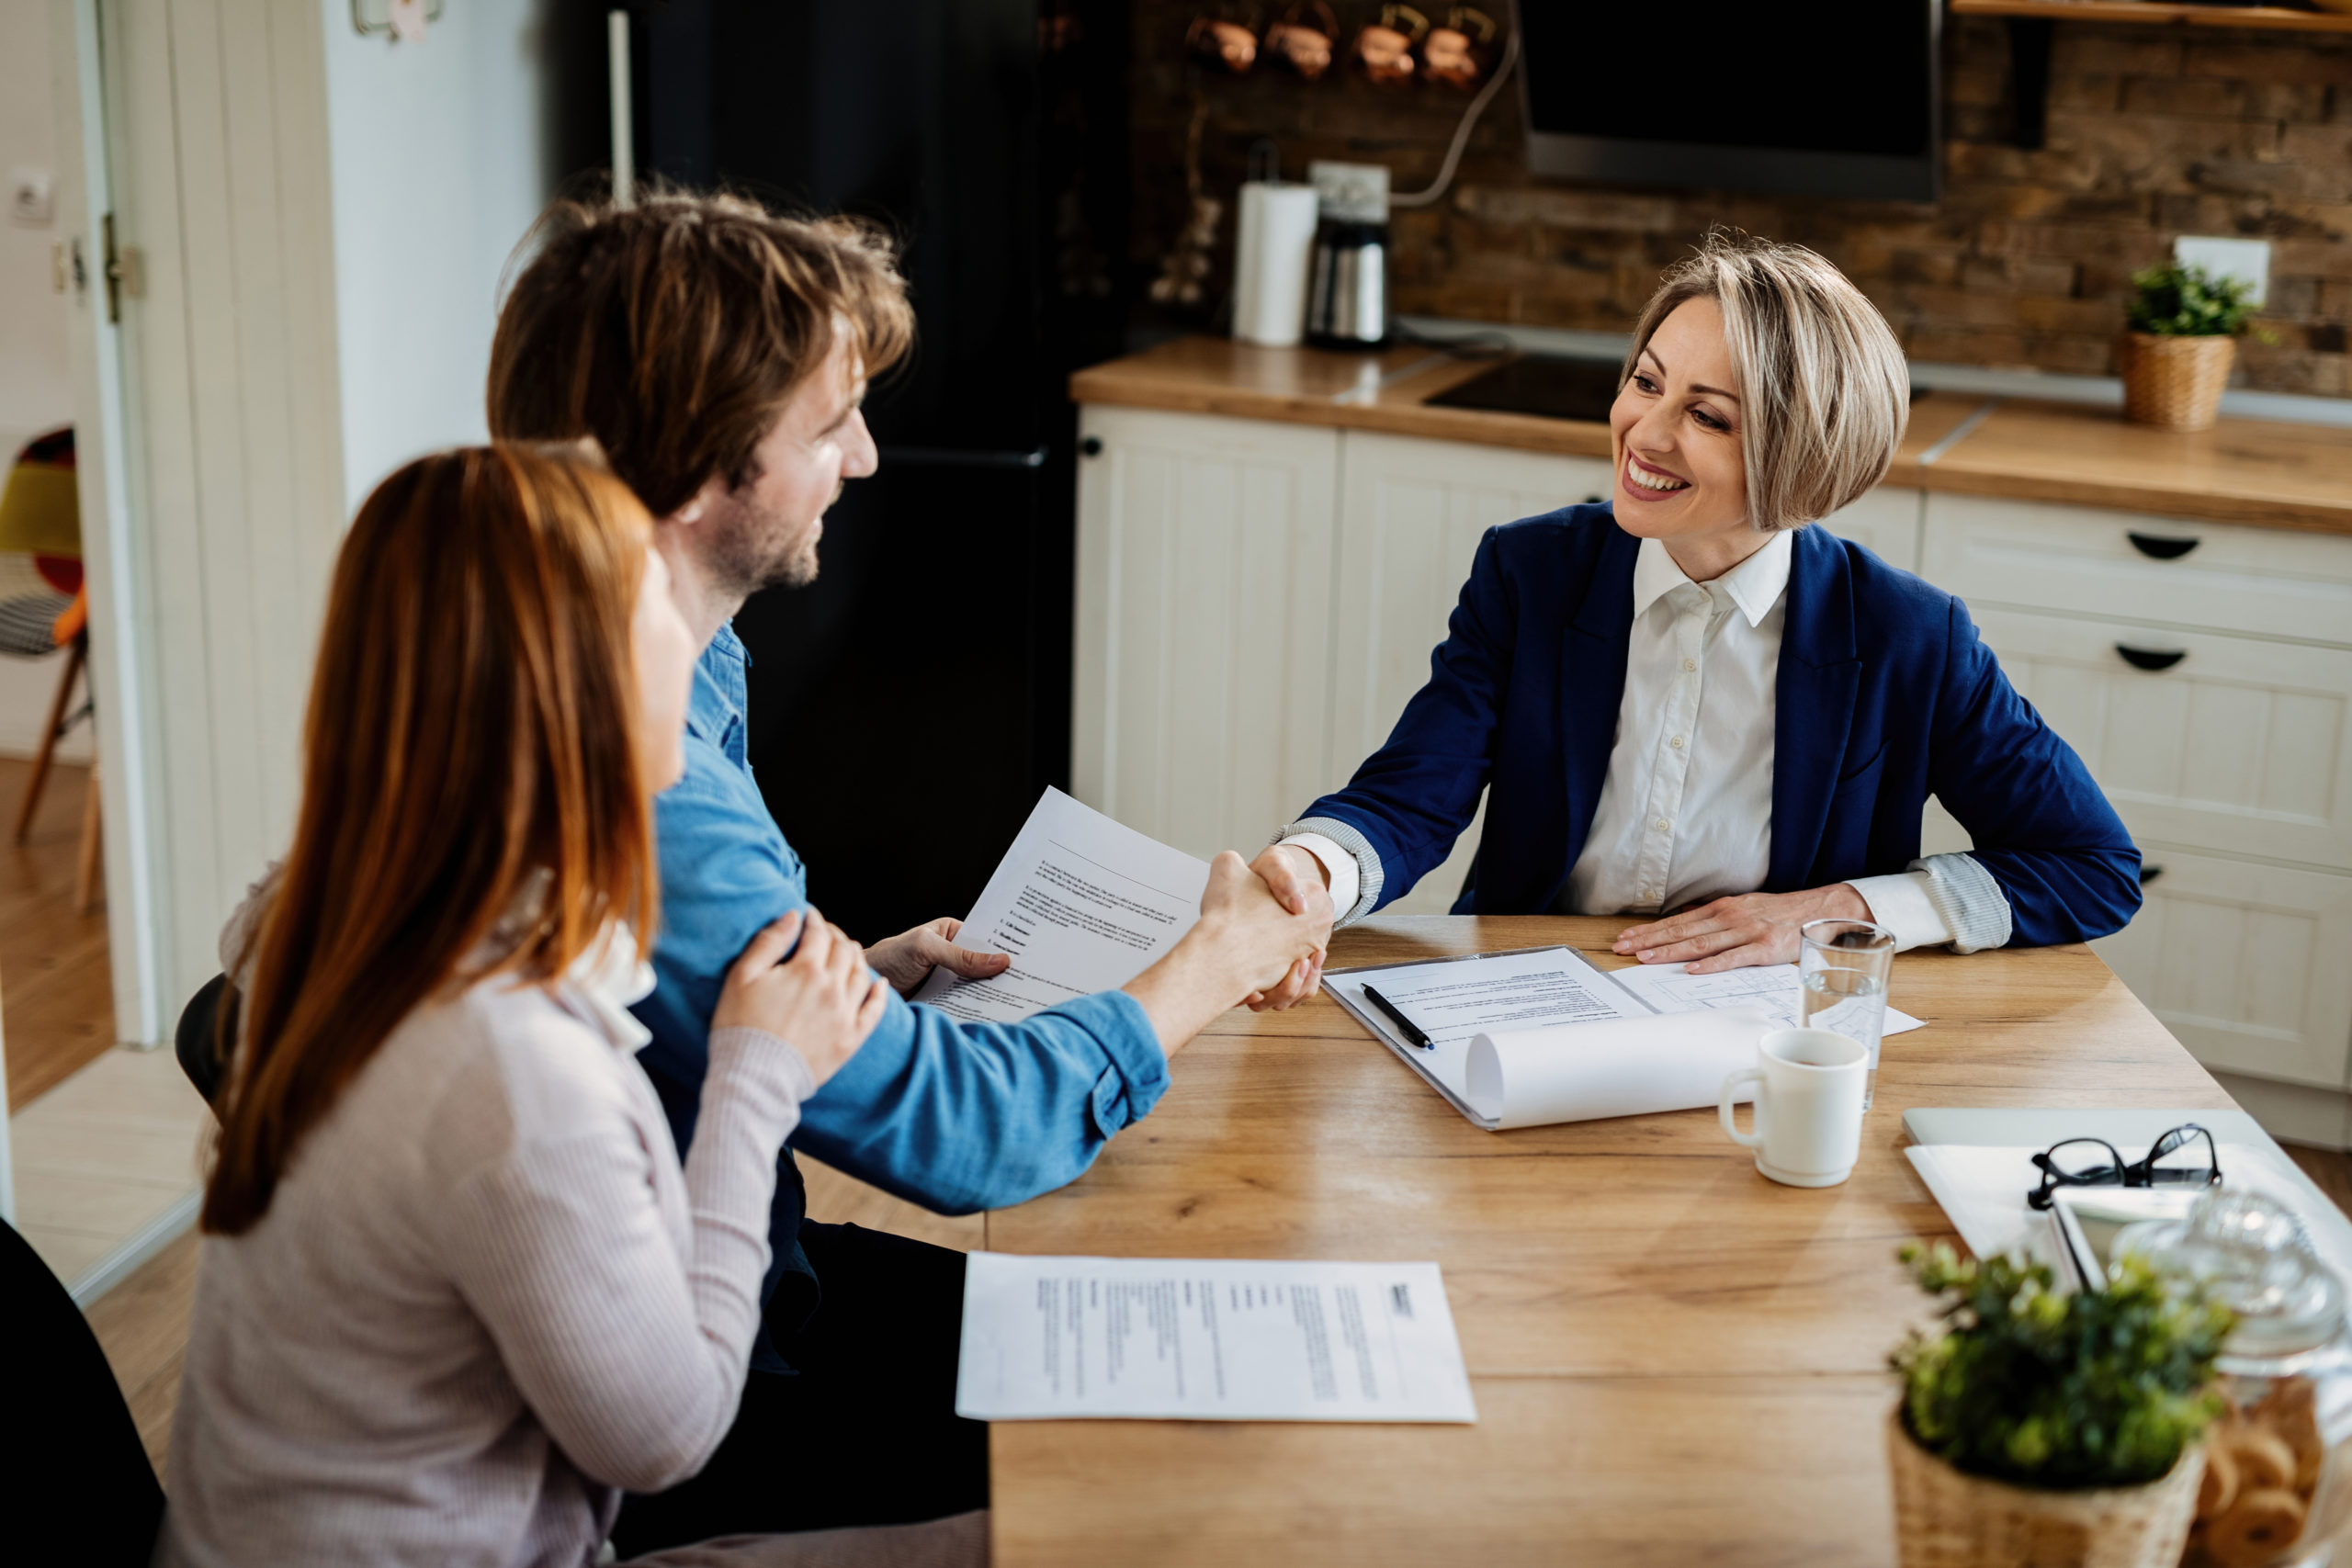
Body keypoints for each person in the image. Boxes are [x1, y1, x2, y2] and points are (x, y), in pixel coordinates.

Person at [483, 191, 1334, 1549]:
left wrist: (852, 982)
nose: (868, 458)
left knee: (1171, 1347)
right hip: (693, 1381)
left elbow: (670, 998)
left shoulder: (679, 656)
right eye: (830, 425)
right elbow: (965, 1139)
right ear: (705, 469)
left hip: (744, 1259)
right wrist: (1210, 964)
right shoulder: (643, 777)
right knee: (1206, 1450)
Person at [1246, 230, 2139, 992]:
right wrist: (1308, 874)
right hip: (1526, 988)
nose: (1644, 433)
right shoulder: (1530, 572)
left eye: (1706, 417)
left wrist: (1845, 910)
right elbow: (1410, 797)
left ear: (1804, 456)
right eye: (1645, 382)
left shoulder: (1910, 635)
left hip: (1762, 1019)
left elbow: (2092, 867)